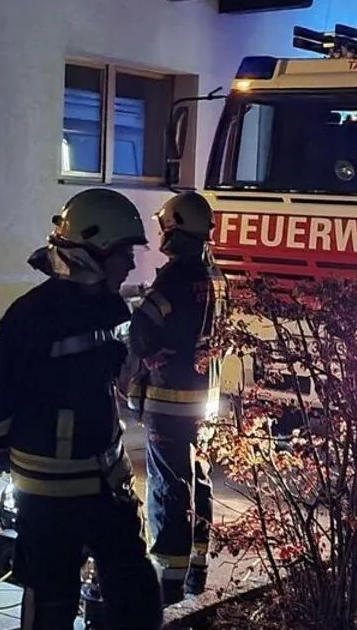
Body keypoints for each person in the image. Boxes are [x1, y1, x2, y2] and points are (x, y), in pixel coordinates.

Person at [0, 187, 163, 629]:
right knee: (52, 601)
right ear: (92, 252)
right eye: (124, 253)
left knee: (135, 594)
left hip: (105, 484)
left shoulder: (111, 307)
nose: (132, 264)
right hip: (50, 496)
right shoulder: (33, 315)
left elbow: (113, 371)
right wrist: (0, 455)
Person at [123, 191, 226, 605]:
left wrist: (145, 356)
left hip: (169, 400)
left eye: (166, 226)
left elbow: (141, 327)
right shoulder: (217, 276)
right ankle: (194, 571)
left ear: (176, 229)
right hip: (205, 401)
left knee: (168, 486)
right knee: (198, 481)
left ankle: (166, 579)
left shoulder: (175, 277)